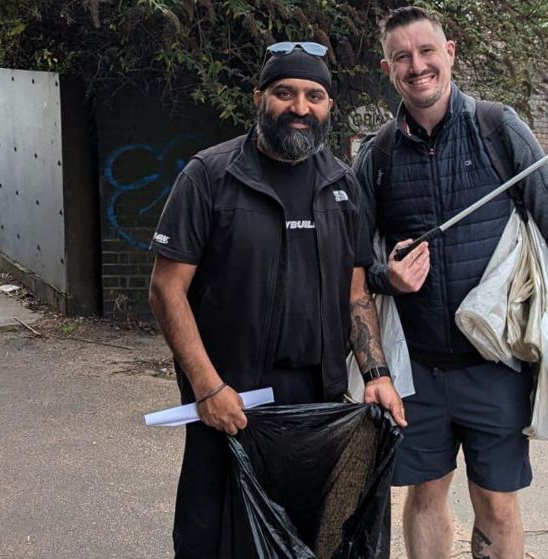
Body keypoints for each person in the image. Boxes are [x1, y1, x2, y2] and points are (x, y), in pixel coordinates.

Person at [354, 7, 548, 559]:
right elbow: (354, 266)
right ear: (388, 69)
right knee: (424, 494)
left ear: (450, 52)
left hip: (494, 366)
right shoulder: (376, 156)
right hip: (418, 372)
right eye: (403, 57)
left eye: (427, 51)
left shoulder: (498, 128)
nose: (417, 66)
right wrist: (389, 276)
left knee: (497, 504)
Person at [148, 42, 406, 559]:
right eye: (284, 93)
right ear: (259, 98)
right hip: (230, 402)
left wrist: (377, 376)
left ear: (329, 105)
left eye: (314, 95)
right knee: (212, 538)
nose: (300, 107)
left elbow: (356, 294)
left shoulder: (341, 184)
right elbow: (165, 288)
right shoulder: (210, 175)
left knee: (308, 537)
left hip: (318, 405)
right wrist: (207, 387)